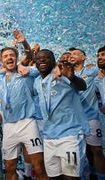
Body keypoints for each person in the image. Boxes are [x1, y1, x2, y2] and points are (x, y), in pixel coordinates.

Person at [34, 49, 89, 179]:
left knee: (71, 177)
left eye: (46, 58)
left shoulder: (63, 75)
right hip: (48, 138)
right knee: (54, 178)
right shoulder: (36, 81)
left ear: (53, 61)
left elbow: (82, 86)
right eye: (39, 58)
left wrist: (72, 77)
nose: (42, 60)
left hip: (70, 136)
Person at [0, 47, 47, 180]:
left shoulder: (27, 72)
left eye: (12, 55)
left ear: (17, 58)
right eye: (5, 56)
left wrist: (29, 68)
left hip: (28, 123)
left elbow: (42, 70)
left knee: (39, 165)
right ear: (1, 61)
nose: (9, 58)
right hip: (9, 127)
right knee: (10, 167)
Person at [68, 47, 105, 179]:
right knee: (77, 152)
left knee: (96, 150)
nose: (71, 55)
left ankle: (100, 176)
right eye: (70, 54)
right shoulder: (65, 73)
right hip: (73, 121)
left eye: (75, 53)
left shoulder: (92, 70)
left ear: (83, 57)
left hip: (90, 117)